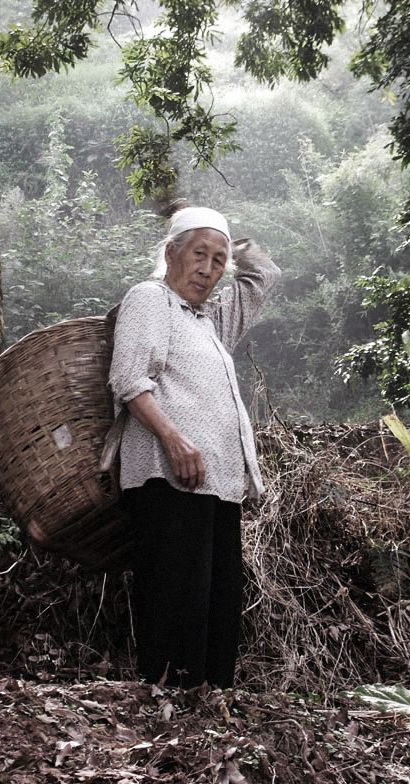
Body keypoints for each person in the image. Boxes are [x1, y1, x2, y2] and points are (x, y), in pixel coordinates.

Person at [109, 205, 281, 688]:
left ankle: (209, 707)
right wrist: (173, 437)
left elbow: (264, 276)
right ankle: (167, 704)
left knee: (218, 601)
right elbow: (128, 378)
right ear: (170, 254)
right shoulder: (151, 299)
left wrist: (229, 235)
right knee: (175, 596)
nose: (208, 269)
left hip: (218, 484)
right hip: (168, 476)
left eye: (219, 260)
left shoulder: (208, 321)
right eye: (198, 254)